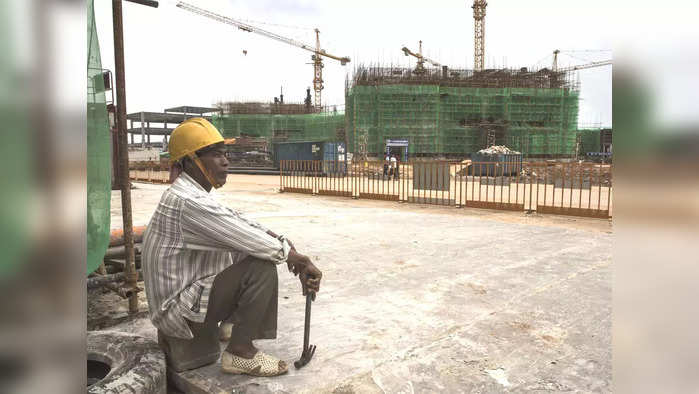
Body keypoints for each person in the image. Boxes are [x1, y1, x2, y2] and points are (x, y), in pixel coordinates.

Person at [142, 118, 321, 377]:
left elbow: (236, 221)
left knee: (246, 248)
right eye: (216, 155)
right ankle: (240, 352)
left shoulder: (194, 194)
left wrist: (283, 242)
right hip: (176, 310)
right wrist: (295, 258)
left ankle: (228, 323)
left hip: (183, 294)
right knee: (261, 267)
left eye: (224, 154)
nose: (226, 161)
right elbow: (245, 236)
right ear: (191, 161)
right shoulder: (187, 201)